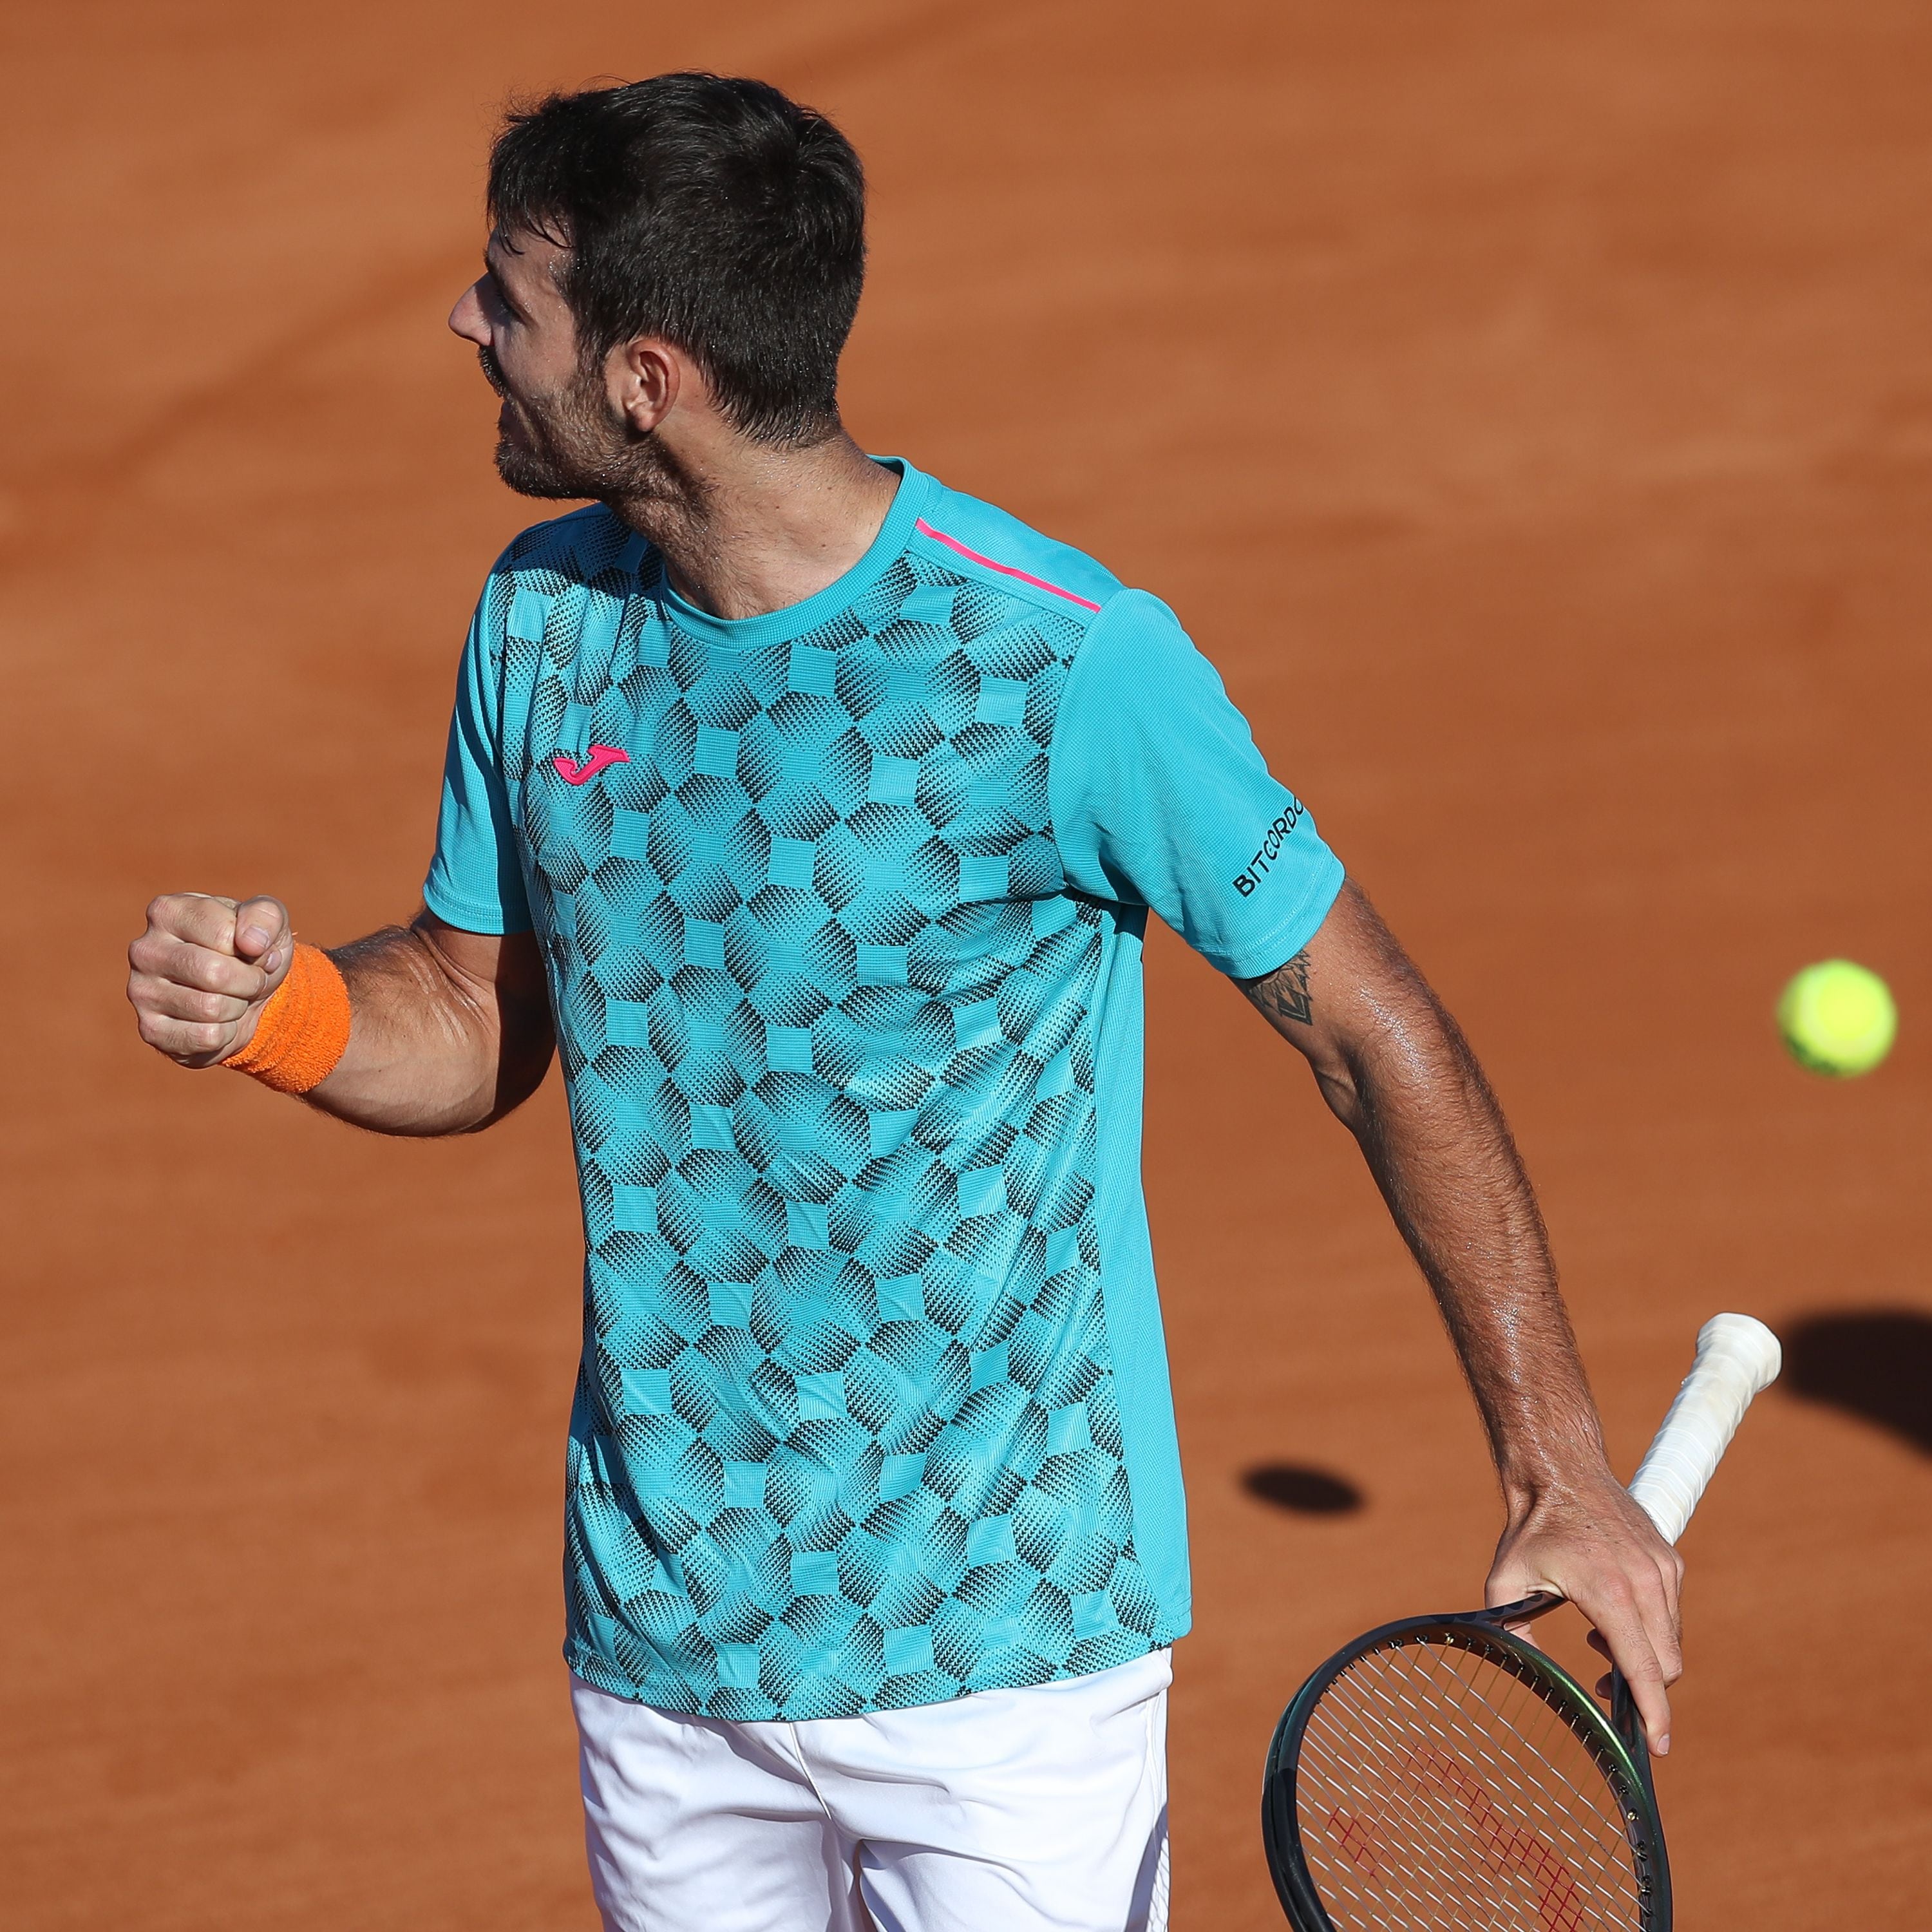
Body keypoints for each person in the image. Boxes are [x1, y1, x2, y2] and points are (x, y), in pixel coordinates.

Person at [125, 71, 1682, 1932]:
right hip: (665, 1647)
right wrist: (286, 1011)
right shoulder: (541, 620)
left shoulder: (1063, 664)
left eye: (507, 301)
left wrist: (1561, 1462)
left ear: (645, 378)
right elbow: (474, 1010)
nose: (469, 327)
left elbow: (1368, 1027)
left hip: (1005, 1662)